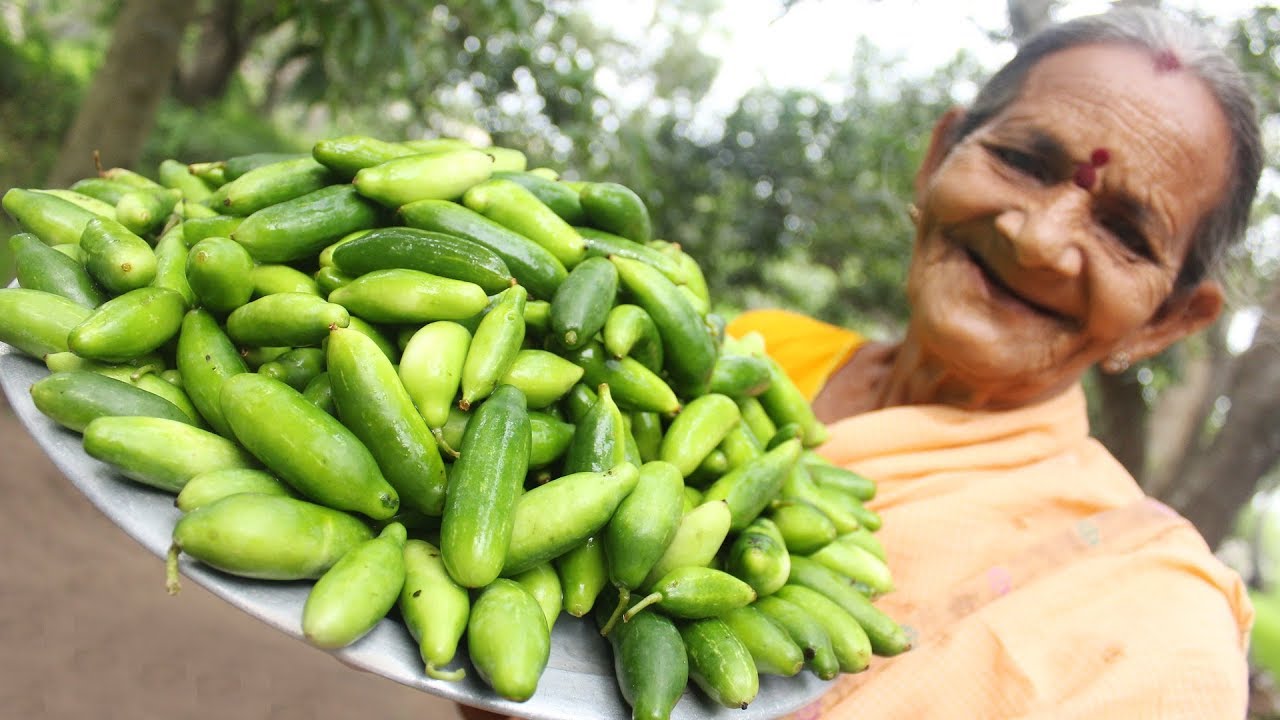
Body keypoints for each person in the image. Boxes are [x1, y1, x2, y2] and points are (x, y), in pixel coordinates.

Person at [460, 6, 1262, 719]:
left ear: (1166, 321)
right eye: (1023, 160)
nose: (1039, 238)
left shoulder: (1152, 626)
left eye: (1125, 233)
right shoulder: (757, 351)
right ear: (939, 154)